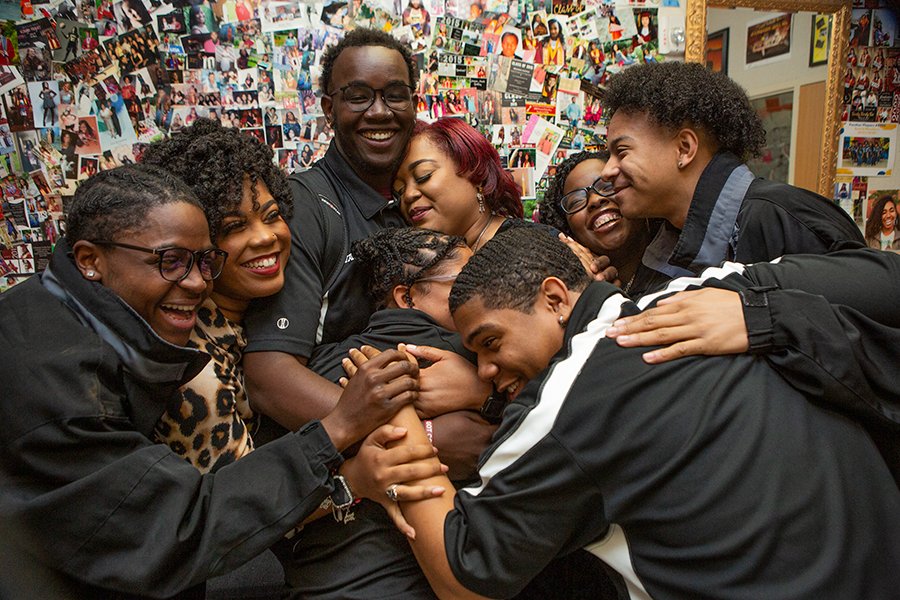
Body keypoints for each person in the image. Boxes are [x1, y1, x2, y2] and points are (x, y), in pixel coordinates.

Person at [354, 227, 900, 599]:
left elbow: (464, 575)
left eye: (489, 343)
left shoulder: (563, 408)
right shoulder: (703, 294)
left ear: (554, 298)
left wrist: (394, 413)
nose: (486, 370)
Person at [0, 165, 434, 598]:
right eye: (169, 262)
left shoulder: (72, 312)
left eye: (203, 261)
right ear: (90, 260)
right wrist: (339, 434)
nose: (194, 283)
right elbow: (174, 529)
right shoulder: (60, 388)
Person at [243, 29, 489, 595]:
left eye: (395, 94)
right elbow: (269, 375)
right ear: (329, 108)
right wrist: (416, 439)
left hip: (439, 505)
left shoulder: (418, 208)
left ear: (415, 102)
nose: (379, 111)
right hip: (340, 508)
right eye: (358, 95)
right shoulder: (307, 206)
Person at [600, 62, 865, 281]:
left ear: (684, 148)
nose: (607, 171)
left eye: (621, 152)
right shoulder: (664, 236)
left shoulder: (786, 219)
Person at [140, 118, 293, 472]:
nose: (265, 237)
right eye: (234, 227)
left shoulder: (249, 318)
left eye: (271, 216)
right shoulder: (194, 365)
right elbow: (244, 506)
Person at [542, 151, 667, 297]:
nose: (595, 200)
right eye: (577, 201)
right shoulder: (575, 292)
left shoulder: (684, 262)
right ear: (567, 228)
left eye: (608, 186)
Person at [392, 118, 523, 253]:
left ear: (477, 173)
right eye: (400, 190)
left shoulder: (527, 249)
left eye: (423, 176)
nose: (408, 195)